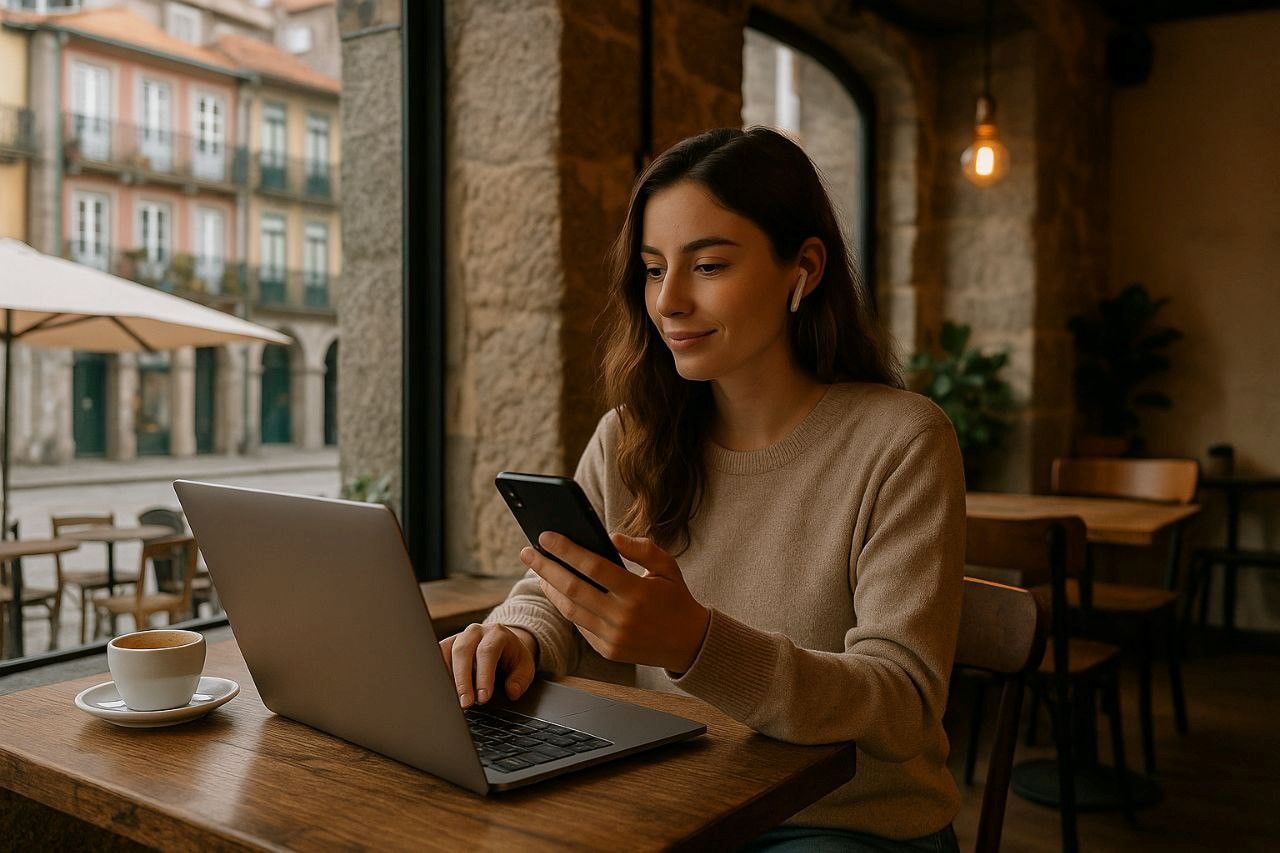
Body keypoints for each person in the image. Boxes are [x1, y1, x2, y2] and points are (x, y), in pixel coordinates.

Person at [440, 126, 965, 852]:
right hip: (674, 807)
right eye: (654, 270)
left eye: (709, 264)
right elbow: (558, 588)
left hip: (846, 822)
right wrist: (518, 635)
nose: (670, 302)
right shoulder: (632, 434)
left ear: (803, 269)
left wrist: (698, 643)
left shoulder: (902, 440)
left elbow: (902, 702)